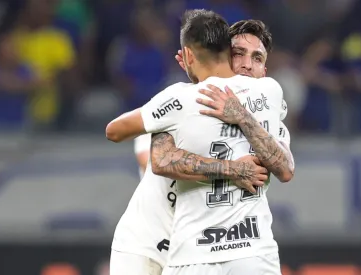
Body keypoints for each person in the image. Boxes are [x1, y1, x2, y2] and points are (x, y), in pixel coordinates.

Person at [108, 14, 293, 275]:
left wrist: (241, 114)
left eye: (257, 58)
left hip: (209, 246)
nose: (247, 65)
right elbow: (159, 160)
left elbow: (285, 168)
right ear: (223, 54)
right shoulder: (177, 98)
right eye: (239, 53)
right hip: (148, 241)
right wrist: (234, 169)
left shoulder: (267, 106)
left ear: (265, 69)